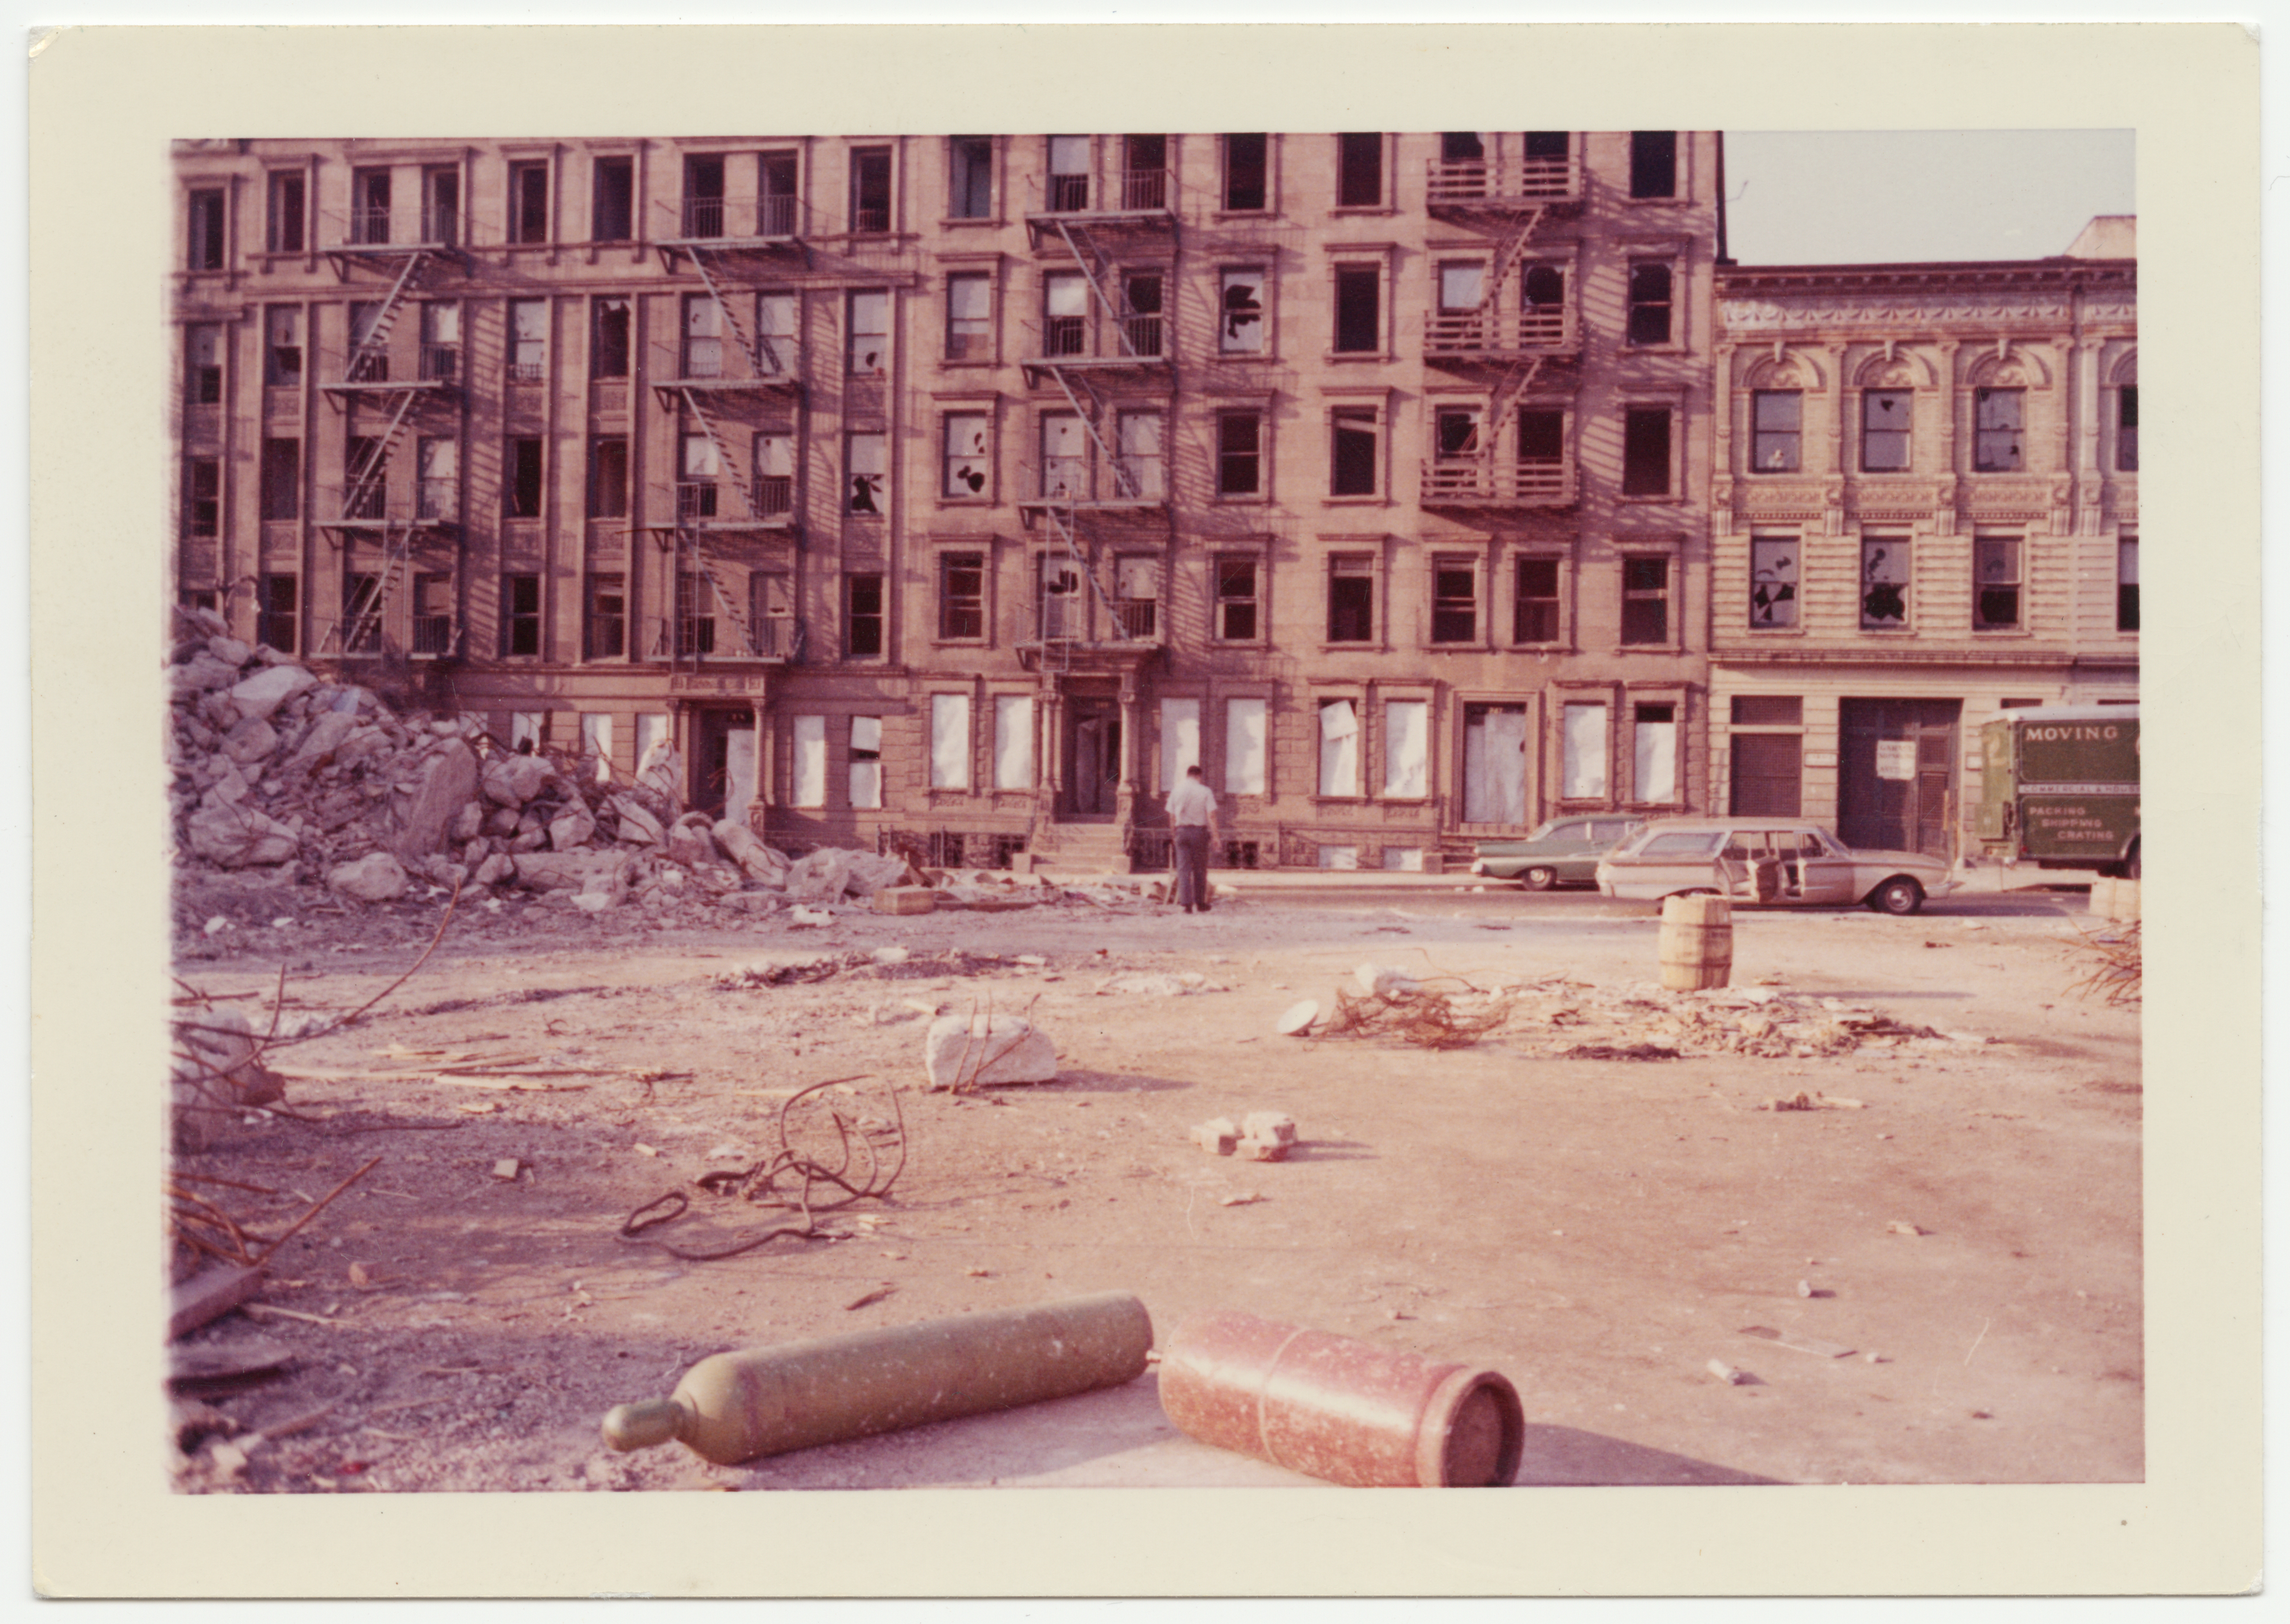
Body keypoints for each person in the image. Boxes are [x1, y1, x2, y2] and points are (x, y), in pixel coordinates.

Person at [1165, 763, 1218, 914]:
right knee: (1200, 869)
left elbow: (1172, 815)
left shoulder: (1176, 790)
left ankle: (1186, 905)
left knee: (1183, 869)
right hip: (1199, 833)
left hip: (1181, 832)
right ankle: (1200, 903)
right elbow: (1211, 816)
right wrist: (1216, 837)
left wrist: (1173, 834)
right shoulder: (1205, 791)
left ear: (1188, 775)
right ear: (1198, 776)